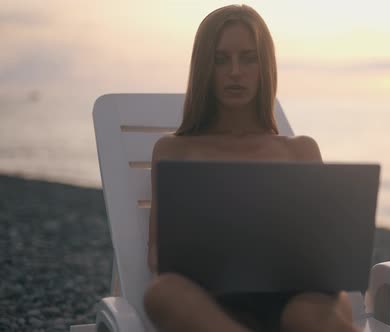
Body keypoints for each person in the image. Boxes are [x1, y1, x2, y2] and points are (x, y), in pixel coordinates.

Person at [143, 4, 360, 332]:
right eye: (220, 59)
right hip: (214, 300)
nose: (234, 72)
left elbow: (324, 254)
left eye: (248, 58)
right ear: (205, 67)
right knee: (161, 294)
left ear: (265, 66)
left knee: (305, 317)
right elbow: (158, 254)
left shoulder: (301, 150)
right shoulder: (174, 150)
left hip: (300, 298)